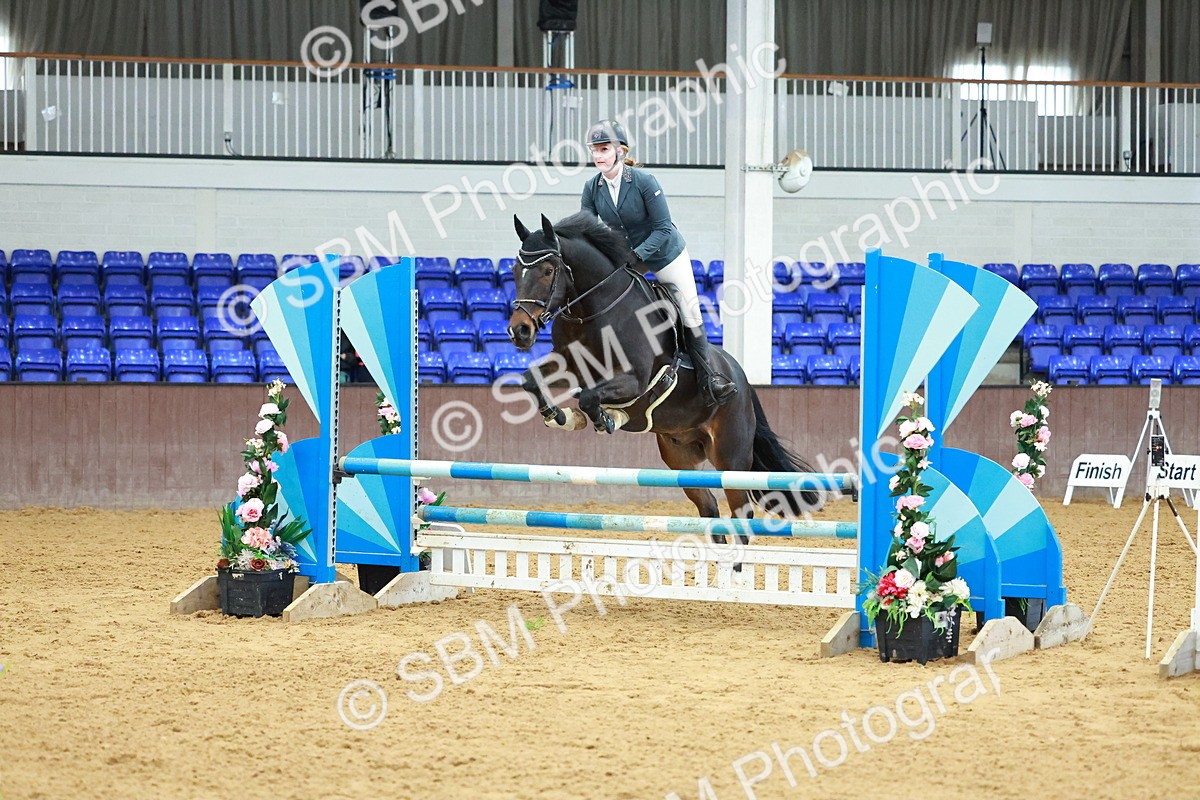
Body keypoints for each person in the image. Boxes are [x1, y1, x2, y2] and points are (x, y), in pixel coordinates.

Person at [579, 119, 736, 407]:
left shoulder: (643, 182)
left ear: (621, 152)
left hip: (665, 253)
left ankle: (709, 378)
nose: (598, 155)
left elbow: (663, 229)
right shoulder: (592, 187)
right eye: (595, 150)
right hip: (627, 258)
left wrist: (637, 255)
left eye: (604, 149)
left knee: (689, 310)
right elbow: (587, 230)